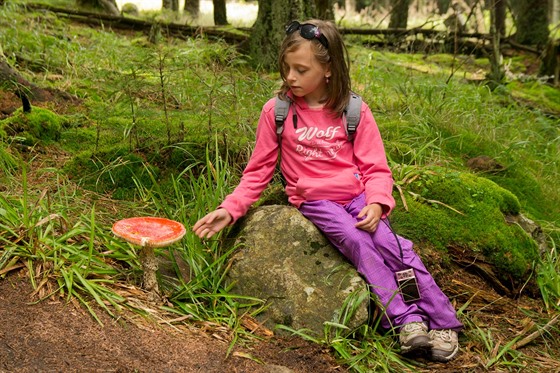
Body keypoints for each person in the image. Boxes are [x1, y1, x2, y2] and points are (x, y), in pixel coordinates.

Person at [193, 19, 463, 362]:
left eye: (301, 70)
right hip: (316, 200)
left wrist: (378, 203)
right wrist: (231, 208)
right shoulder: (277, 111)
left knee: (392, 245)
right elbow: (258, 171)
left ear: (329, 70)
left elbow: (376, 168)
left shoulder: (353, 110)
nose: (290, 77)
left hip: (358, 196)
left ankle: (442, 321)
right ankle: (407, 321)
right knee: (357, 241)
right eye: (286, 67)